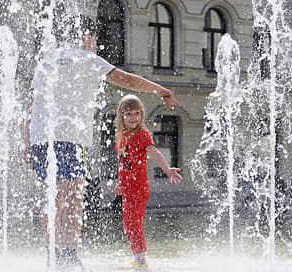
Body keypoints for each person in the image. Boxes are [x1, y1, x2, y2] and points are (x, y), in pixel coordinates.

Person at [25, 15, 180, 271]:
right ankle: (70, 254)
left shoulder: (45, 62)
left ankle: (51, 254)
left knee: (52, 195)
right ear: (86, 37)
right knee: (74, 195)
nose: (94, 43)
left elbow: (31, 106)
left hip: (41, 137)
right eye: (94, 38)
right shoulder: (88, 60)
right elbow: (127, 80)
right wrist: (159, 89)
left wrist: (27, 143)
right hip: (71, 137)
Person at [114, 95, 183, 270]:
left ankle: (141, 259)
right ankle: (138, 257)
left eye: (137, 113)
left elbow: (154, 152)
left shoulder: (142, 134)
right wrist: (120, 182)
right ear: (121, 116)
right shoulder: (122, 136)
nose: (134, 117)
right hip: (127, 188)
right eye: (129, 113)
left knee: (134, 222)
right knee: (128, 223)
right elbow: (122, 162)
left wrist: (167, 169)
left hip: (138, 187)